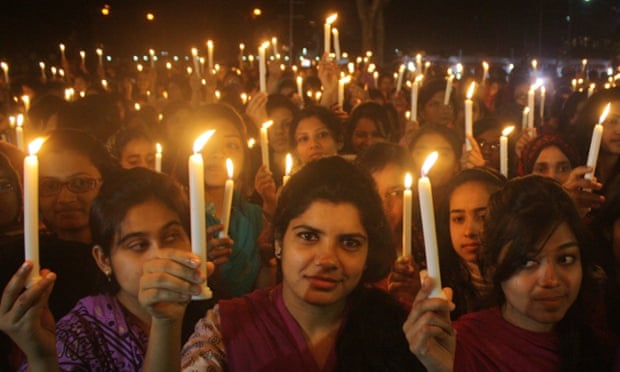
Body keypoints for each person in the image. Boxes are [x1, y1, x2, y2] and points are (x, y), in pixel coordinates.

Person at [139, 156, 456, 372]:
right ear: (279, 241)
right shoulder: (227, 327)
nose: (327, 260)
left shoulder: (401, 328)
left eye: (349, 243)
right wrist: (166, 323)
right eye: (308, 236)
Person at [0, 168, 215, 371]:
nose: (160, 256)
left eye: (171, 236)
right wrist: (42, 360)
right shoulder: (80, 335)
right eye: (138, 245)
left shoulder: (213, 315)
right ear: (103, 259)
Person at [453, 175, 615, 370]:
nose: (551, 280)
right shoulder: (461, 346)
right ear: (493, 266)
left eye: (565, 259)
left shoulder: (599, 348)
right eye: (527, 262)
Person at [436, 168, 505, 319]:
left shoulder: (524, 285)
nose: (469, 231)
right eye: (458, 219)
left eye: (482, 217)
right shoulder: (438, 285)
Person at [38, 128, 118, 244]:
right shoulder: (19, 256)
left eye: (80, 183)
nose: (65, 199)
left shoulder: (126, 252)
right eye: (50, 185)